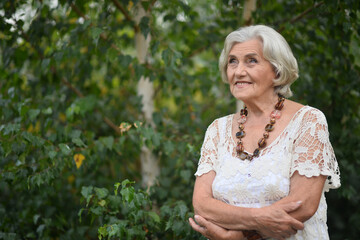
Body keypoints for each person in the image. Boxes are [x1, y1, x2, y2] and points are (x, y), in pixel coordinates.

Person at [188, 25, 341, 240]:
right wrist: (259, 219)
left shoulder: (308, 120)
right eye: (233, 61)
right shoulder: (217, 129)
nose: (239, 71)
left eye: (251, 60)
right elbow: (202, 205)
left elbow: (303, 205)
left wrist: (241, 236)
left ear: (277, 70)